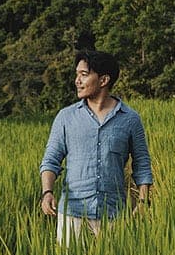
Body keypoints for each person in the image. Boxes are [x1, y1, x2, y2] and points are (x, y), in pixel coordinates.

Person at [40, 50, 154, 242]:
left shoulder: (130, 119)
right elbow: (51, 160)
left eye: (84, 75)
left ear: (103, 80)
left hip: (114, 215)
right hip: (72, 214)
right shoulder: (66, 117)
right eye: (77, 75)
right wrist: (47, 192)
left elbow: (142, 164)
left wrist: (142, 201)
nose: (77, 80)